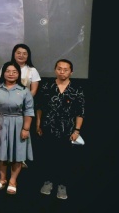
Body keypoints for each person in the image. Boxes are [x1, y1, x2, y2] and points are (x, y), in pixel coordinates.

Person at [35, 59, 85, 200]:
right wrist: (38, 124)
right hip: (48, 128)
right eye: (59, 69)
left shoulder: (76, 89)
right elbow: (40, 107)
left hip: (67, 130)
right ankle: (48, 182)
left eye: (65, 69)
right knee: (48, 156)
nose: (62, 72)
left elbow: (80, 112)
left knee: (64, 159)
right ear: (55, 70)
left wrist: (77, 131)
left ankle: (62, 185)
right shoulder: (47, 86)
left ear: (71, 72)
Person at [0, 62, 34, 195]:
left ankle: (13, 181)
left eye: (14, 72)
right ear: (3, 73)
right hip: (0, 123)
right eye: (8, 71)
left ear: (18, 74)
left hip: (18, 123)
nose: (11, 74)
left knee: (17, 153)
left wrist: (26, 129)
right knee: (2, 152)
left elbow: (29, 110)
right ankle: (2, 179)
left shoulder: (24, 90)